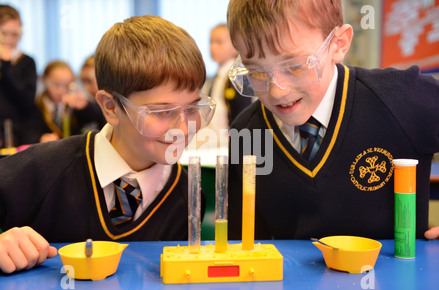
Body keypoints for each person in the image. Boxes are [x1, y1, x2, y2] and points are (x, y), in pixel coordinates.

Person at [0, 15, 215, 273]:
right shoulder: (42, 170)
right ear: (111, 107)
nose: (183, 128)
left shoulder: (187, 193)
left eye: (192, 108)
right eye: (160, 111)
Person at [226, 0, 439, 241]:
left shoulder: (401, 97)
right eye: (256, 72)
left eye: (295, 66)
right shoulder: (247, 134)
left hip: (400, 275)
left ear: (338, 44)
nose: (277, 92)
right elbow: (244, 245)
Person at [197, 23, 252, 148]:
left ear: (235, 46)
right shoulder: (211, 79)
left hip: (230, 142)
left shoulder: (238, 78)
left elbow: (242, 112)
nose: (212, 47)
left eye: (219, 42)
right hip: (213, 141)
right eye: (211, 42)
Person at [36, 60, 106, 142]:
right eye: (56, 84)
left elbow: (97, 118)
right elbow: (27, 134)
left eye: (66, 85)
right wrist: (39, 139)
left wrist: (85, 106)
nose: (61, 90)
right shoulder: (35, 108)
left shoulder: (73, 106)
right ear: (44, 80)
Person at [0, 5, 40, 146]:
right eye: (4, 33)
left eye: (15, 34)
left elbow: (27, 101)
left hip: (20, 136)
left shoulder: (27, 62)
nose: (9, 39)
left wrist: (6, 65)